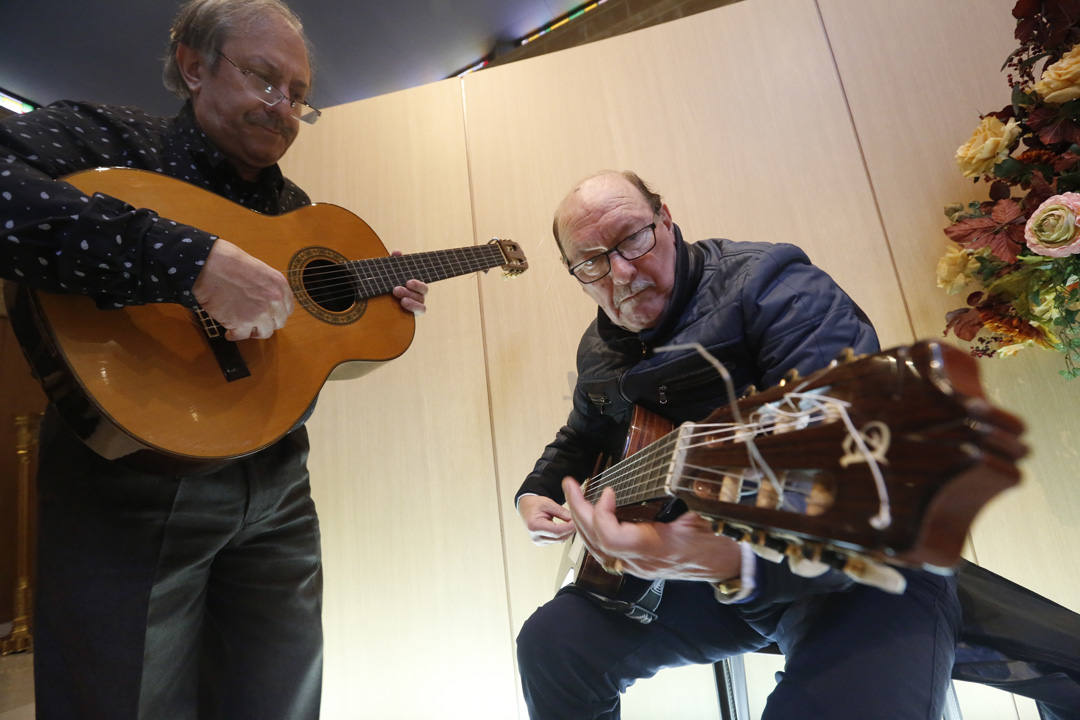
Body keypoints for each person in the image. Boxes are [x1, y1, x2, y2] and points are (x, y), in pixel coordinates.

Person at [0, 1, 427, 718]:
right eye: (266, 78)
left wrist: (368, 310)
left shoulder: (294, 207)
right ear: (195, 66)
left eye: (298, 96)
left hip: (278, 488)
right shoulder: (110, 140)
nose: (283, 106)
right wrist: (187, 258)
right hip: (127, 485)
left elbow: (285, 348)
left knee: (278, 703)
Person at [515, 170, 962, 719]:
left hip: (841, 565)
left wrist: (720, 553)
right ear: (575, 275)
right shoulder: (599, 346)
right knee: (552, 646)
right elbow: (582, 434)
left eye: (633, 238)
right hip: (691, 572)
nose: (622, 272)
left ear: (667, 220)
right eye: (592, 262)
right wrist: (535, 493)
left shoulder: (772, 285)